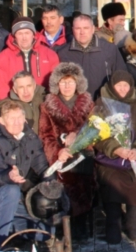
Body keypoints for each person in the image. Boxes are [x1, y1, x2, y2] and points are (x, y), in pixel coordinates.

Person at [94, 71, 136, 244]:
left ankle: (133, 223)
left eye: (125, 85)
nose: (122, 89)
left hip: (134, 156)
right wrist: (115, 149)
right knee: (111, 181)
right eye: (118, 85)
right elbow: (96, 134)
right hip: (110, 158)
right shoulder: (102, 104)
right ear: (112, 87)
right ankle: (113, 223)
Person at [0, 100, 54, 250]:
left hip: (20, 199)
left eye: (19, 118)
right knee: (11, 190)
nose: (16, 123)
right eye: (11, 119)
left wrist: (50, 184)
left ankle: (15, 236)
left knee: (46, 232)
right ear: (1, 120)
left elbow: (41, 166)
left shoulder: (29, 136)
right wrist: (8, 176)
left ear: (24, 118)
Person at [38, 63, 95, 240]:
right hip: (61, 158)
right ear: (57, 85)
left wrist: (80, 139)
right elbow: (46, 136)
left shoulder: (88, 103)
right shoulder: (48, 107)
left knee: (86, 184)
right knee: (66, 186)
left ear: (78, 83)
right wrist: (58, 151)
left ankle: (83, 222)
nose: (67, 86)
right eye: (63, 82)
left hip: (84, 154)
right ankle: (66, 224)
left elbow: (95, 128)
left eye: (71, 81)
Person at [57, 14, 126, 99]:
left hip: (103, 102)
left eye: (86, 28)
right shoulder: (63, 53)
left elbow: (122, 76)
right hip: (75, 105)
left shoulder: (109, 49)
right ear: (72, 30)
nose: (82, 32)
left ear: (93, 29)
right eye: (78, 28)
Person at [0, 17, 60, 101]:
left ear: (33, 34)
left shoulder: (50, 55)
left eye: (27, 33)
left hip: (43, 103)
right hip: (15, 105)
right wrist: (10, 108)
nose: (24, 38)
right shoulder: (2, 58)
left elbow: (56, 83)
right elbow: (0, 88)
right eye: (20, 34)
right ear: (14, 36)